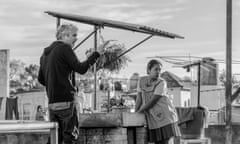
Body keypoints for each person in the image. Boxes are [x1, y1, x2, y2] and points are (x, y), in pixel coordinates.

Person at [38, 23, 100, 144]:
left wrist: (54, 85)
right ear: (64, 35)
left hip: (52, 104)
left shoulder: (45, 54)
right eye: (74, 35)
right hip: (66, 101)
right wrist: (96, 54)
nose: (76, 38)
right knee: (69, 138)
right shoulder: (65, 48)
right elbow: (81, 68)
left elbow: (41, 79)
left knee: (56, 138)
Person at [135, 59, 180, 144]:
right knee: (157, 142)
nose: (158, 72)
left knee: (164, 142)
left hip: (165, 117)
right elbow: (139, 99)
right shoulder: (141, 81)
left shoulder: (162, 83)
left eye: (160, 70)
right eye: (156, 69)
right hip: (153, 119)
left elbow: (152, 101)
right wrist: (134, 113)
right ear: (149, 70)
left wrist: (139, 112)